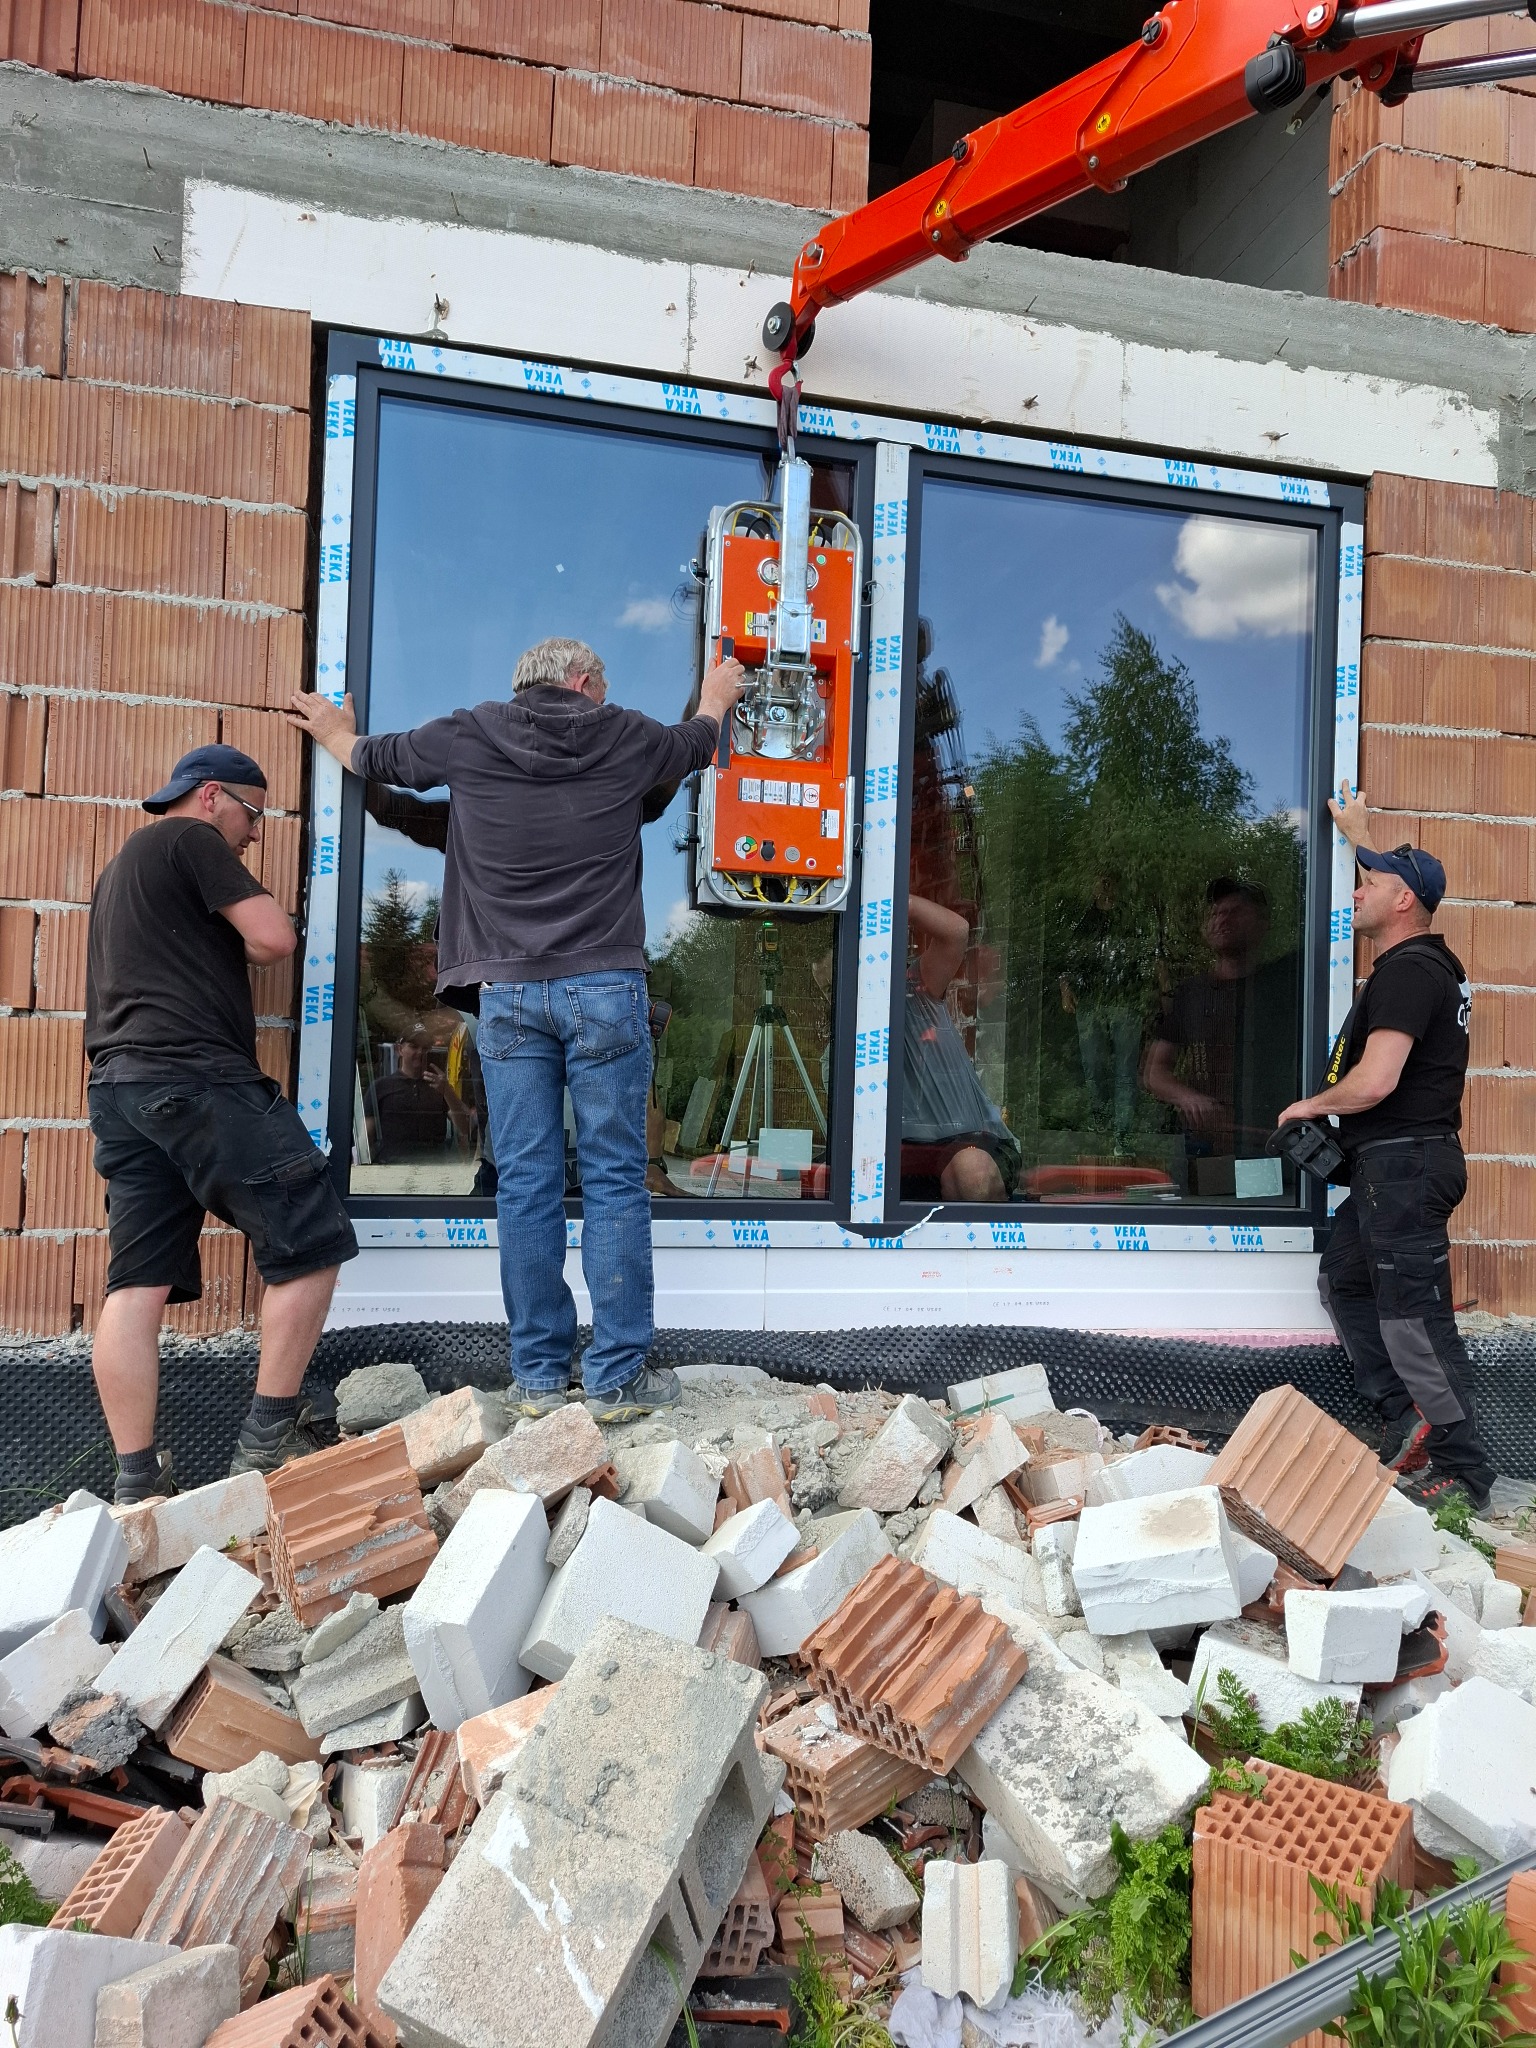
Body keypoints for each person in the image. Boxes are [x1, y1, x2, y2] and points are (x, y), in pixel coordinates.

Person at [289, 638, 745, 1423]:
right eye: (603, 683)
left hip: (509, 996)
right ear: (581, 679)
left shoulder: (471, 734)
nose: (606, 696)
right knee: (613, 1179)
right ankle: (616, 1378)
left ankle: (537, 1378)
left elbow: (380, 761)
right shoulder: (621, 733)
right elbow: (693, 746)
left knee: (527, 1184)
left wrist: (334, 731)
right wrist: (716, 695)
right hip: (604, 988)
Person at [85, 746, 360, 1503]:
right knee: (313, 1239)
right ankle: (267, 1440)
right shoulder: (190, 838)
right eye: (253, 814)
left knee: (135, 1285)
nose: (255, 834)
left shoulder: (121, 871)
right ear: (211, 796)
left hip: (119, 1091)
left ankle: (137, 1483)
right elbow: (274, 939)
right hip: (196, 1076)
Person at [1278, 781, 1496, 1514]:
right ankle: (1409, 1421)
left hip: (1406, 1166)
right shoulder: (1419, 965)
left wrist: (1310, 1106)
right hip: (1390, 1168)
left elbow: (1374, 1082)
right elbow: (1394, 876)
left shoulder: (1408, 972)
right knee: (1346, 1281)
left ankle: (1463, 1472)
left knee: (1413, 1319)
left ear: (1404, 901)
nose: (1355, 892)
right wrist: (1359, 834)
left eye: (1368, 884)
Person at [1144, 877, 1300, 1181]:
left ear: (1263, 923)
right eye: (1215, 913)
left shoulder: (1288, 985)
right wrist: (1187, 1097)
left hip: (1270, 1144)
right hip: (1205, 1147)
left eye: (1234, 911)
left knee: (1262, 1205)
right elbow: (1155, 1072)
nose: (1221, 919)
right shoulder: (1190, 994)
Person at [901, 893, 1020, 1203]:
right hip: (896, 1153)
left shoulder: (913, 989)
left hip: (968, 1140)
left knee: (972, 1172)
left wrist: (887, 897)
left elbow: (955, 932)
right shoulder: (842, 1035)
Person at [362, 1026, 476, 1163]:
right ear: (399, 1049)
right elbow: (366, 1139)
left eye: (425, 1048)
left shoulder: (440, 1086)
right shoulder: (380, 1087)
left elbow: (465, 1128)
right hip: (391, 1168)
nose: (420, 1052)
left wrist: (447, 1092)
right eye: (414, 1046)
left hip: (435, 1168)